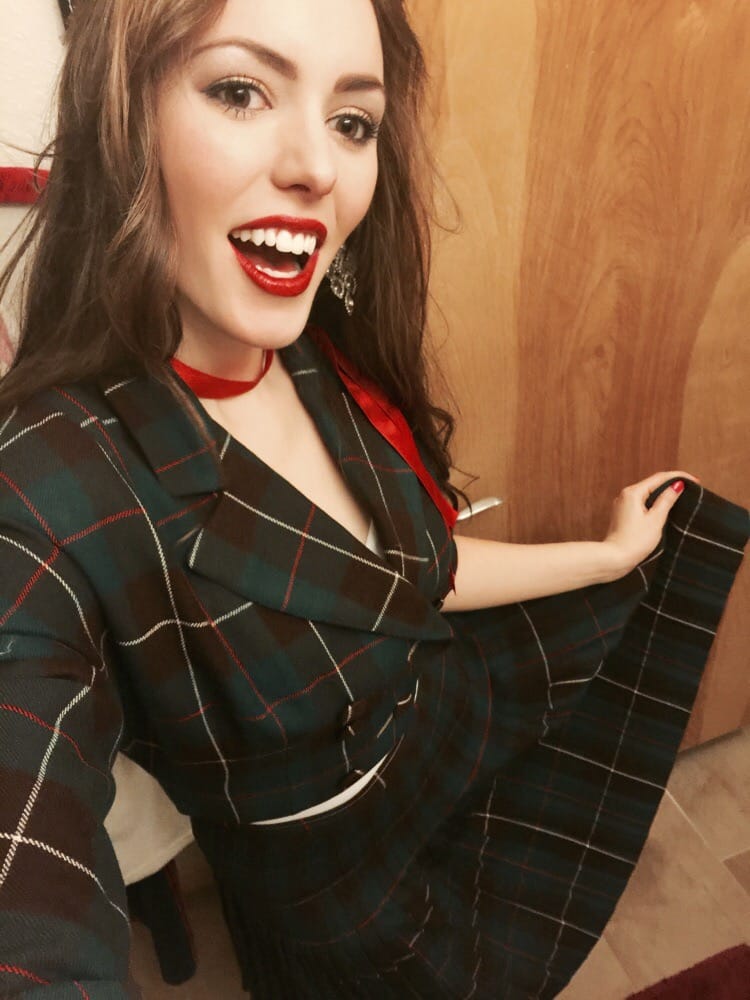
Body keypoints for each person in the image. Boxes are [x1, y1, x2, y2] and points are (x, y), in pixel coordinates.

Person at [0, 0, 746, 997]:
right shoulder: (52, 484)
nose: (320, 167)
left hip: (440, 745)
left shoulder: (315, 353)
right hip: (341, 900)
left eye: (353, 120)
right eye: (240, 91)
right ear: (120, 115)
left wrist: (604, 559)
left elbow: (413, 574)